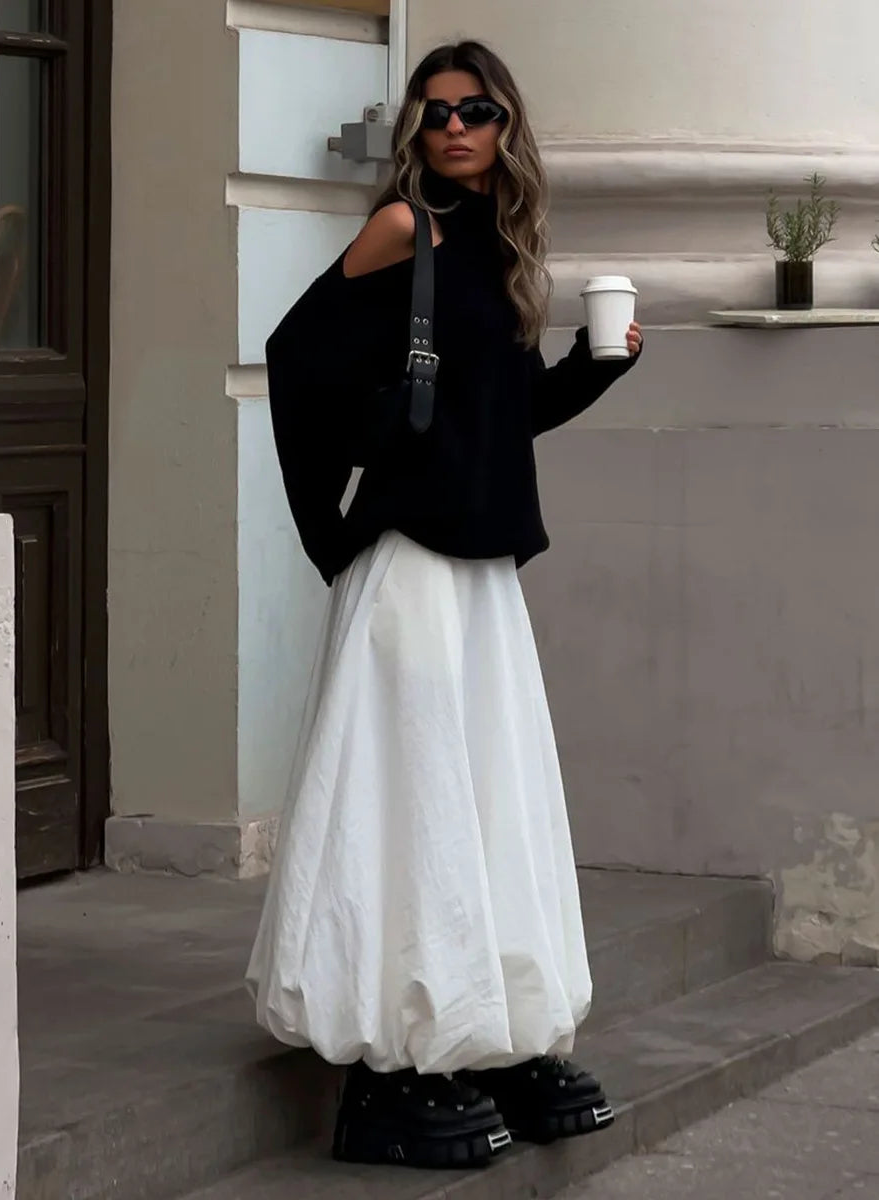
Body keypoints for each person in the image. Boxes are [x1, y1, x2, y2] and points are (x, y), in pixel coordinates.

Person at [246, 40, 644, 1171]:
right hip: (413, 566)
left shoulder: (504, 248)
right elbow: (292, 357)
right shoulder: (401, 230)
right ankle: (390, 1067)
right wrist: (337, 523)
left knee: (485, 799)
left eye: (477, 111)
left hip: (482, 572)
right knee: (412, 802)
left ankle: (491, 1038)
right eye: (435, 113)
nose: (456, 128)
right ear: (413, 134)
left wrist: (598, 367)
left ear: (507, 126)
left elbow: (505, 416)